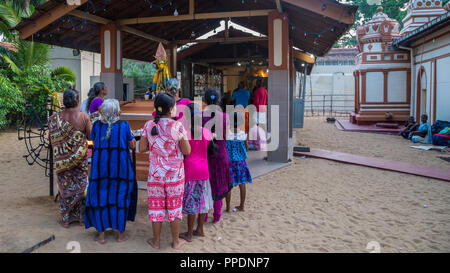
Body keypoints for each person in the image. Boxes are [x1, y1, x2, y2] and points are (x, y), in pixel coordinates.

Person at [139, 93, 191, 250]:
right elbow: (187, 151)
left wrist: (155, 146)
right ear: (170, 110)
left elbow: (141, 149)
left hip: (155, 175)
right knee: (175, 208)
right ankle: (175, 242)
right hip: (175, 175)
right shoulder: (177, 126)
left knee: (156, 207)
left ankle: (156, 241)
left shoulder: (149, 126)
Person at [84, 99, 137, 244]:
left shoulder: (96, 126)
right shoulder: (124, 126)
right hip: (121, 169)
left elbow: (92, 140)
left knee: (100, 197)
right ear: (117, 111)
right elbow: (132, 144)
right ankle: (120, 235)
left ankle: (101, 236)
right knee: (120, 198)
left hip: (100, 169)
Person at [48, 89, 91, 228]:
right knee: (81, 186)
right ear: (77, 101)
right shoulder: (83, 117)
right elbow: (91, 136)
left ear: (63, 102)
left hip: (62, 161)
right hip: (80, 160)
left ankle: (66, 219)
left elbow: (51, 139)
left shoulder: (55, 119)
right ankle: (81, 218)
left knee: (65, 187)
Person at [180, 103, 214, 242]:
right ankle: (200, 229)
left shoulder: (185, 133)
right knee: (202, 200)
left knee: (191, 202)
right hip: (204, 169)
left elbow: (183, 152)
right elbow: (211, 151)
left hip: (190, 170)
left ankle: (189, 233)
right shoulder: (207, 132)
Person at [202, 89, 233, 223]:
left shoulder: (200, 117)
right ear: (219, 100)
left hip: (205, 156)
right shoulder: (226, 117)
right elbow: (225, 138)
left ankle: (204, 216)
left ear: (204, 101)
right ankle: (217, 215)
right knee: (219, 185)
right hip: (221, 154)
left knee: (206, 187)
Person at [226, 112, 252, 212]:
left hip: (230, 162)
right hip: (241, 162)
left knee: (229, 185)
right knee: (242, 184)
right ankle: (242, 206)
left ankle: (227, 207)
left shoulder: (227, 134)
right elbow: (246, 147)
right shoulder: (243, 134)